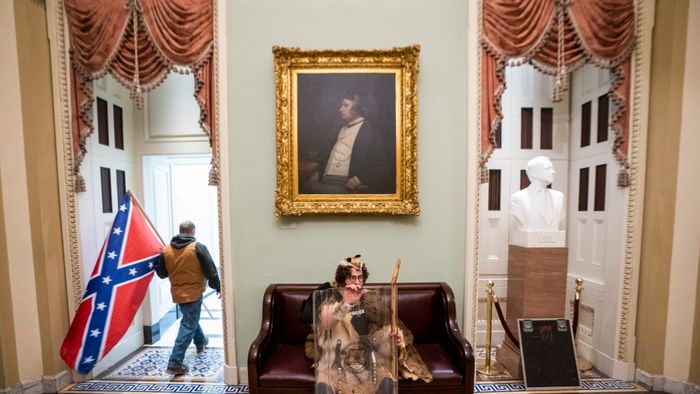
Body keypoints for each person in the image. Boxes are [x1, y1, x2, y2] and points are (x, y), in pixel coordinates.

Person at [299, 255, 432, 394]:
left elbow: (376, 334)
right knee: (325, 387)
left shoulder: (371, 299)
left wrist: (393, 338)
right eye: (352, 278)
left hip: (367, 360)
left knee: (387, 383)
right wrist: (346, 303)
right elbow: (326, 323)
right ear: (343, 280)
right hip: (335, 363)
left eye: (360, 277)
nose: (357, 282)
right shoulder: (330, 297)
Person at [154, 220, 221, 375]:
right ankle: (175, 362)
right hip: (194, 291)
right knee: (188, 324)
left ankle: (200, 341)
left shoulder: (166, 250)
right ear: (192, 231)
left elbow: (162, 274)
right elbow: (211, 270)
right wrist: (217, 286)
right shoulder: (197, 248)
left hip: (177, 292)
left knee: (189, 319)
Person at [301, 93, 395, 194]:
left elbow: (382, 166)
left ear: (357, 108)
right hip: (324, 179)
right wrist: (317, 172)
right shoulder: (341, 129)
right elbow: (328, 155)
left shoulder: (372, 133)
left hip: (344, 185)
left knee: (302, 187)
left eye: (345, 105)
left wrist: (359, 179)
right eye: (341, 105)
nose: (340, 109)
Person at [510, 156, 565, 232]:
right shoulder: (518, 197)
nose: (553, 172)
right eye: (547, 168)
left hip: (554, 241)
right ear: (534, 173)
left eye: (552, 168)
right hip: (529, 241)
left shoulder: (559, 197)